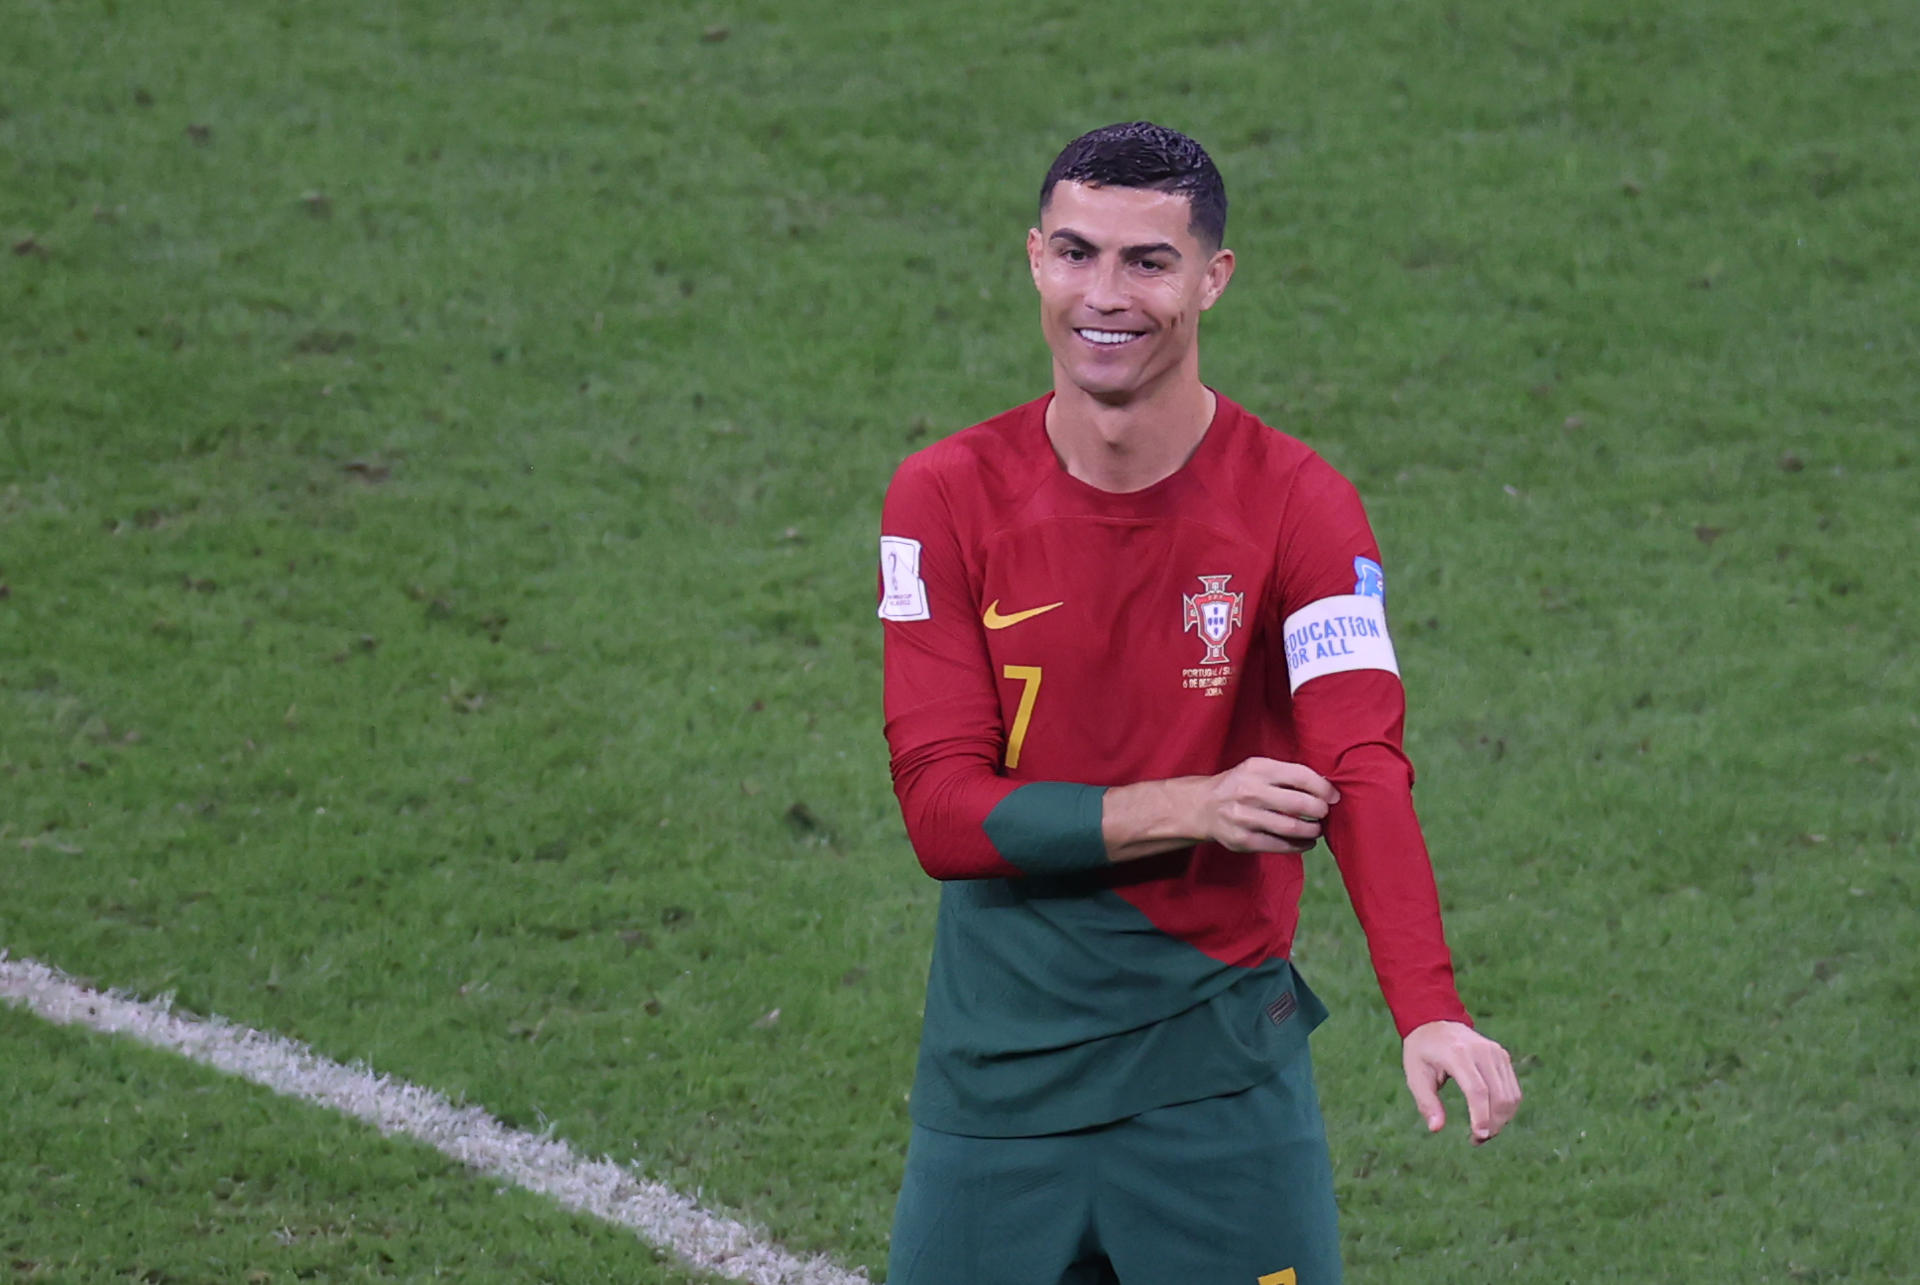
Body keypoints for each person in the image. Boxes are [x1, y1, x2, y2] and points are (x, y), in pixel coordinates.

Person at [876, 121, 1520, 1285]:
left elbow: (1362, 762)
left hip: (1218, 1087)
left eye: (1148, 262)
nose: (1104, 296)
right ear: (1033, 258)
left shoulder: (1301, 508)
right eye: (1076, 254)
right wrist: (1193, 804)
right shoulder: (944, 499)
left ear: (1213, 279)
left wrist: (1429, 1005)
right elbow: (943, 815)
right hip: (998, 1083)